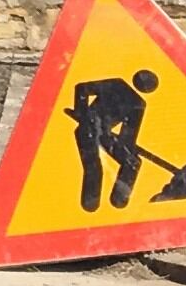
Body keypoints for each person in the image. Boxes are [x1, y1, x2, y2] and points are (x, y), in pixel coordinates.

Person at [67, 68, 157, 215]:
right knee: (94, 166)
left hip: (105, 135)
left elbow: (128, 136)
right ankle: (90, 205)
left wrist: (126, 149)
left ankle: (119, 200)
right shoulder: (116, 85)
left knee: (133, 162)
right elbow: (82, 88)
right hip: (88, 128)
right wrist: (81, 113)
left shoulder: (139, 104)